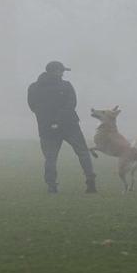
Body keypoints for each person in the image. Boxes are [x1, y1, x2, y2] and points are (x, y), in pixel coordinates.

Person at [26, 60, 96, 194]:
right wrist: (59, 120)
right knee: (82, 152)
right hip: (70, 125)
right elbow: (72, 104)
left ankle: (51, 186)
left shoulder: (33, 87)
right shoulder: (66, 86)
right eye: (61, 71)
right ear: (56, 71)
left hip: (46, 128)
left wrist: (50, 121)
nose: (63, 73)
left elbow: (33, 106)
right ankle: (90, 182)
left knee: (50, 158)